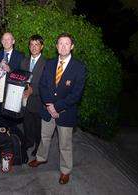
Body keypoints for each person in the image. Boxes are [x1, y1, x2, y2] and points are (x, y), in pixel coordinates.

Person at [28, 33, 87, 185]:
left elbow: (76, 94)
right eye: (60, 43)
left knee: (64, 144)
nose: (63, 46)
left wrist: (57, 107)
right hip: (47, 110)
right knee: (45, 137)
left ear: (72, 46)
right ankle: (41, 158)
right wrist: (49, 105)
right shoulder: (50, 63)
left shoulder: (80, 67)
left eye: (66, 44)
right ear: (56, 46)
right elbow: (42, 85)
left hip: (65, 113)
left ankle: (66, 170)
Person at [0, 32, 25, 126]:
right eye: (4, 39)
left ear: (13, 41)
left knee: (12, 122)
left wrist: (10, 70)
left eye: (8, 39)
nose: (6, 42)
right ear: (1, 42)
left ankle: (12, 139)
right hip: (0, 93)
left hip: (13, 93)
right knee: (0, 120)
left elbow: (22, 75)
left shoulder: (20, 56)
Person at [20, 35, 47, 157]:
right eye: (31, 45)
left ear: (41, 46)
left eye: (36, 44)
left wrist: (33, 91)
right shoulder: (24, 62)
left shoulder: (47, 63)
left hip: (38, 100)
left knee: (38, 127)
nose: (34, 47)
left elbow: (47, 85)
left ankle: (37, 145)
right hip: (25, 101)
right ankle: (29, 142)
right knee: (26, 124)